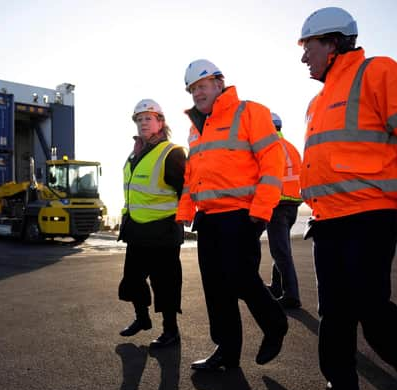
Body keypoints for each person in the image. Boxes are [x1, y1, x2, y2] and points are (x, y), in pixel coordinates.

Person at [296, 7, 397, 390]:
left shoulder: (379, 73)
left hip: (370, 215)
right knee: (334, 315)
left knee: (370, 308)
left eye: (308, 46)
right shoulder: (318, 100)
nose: (303, 56)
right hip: (327, 221)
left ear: (331, 42)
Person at [177, 59, 289, 370]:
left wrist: (263, 208)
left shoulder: (250, 112)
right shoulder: (197, 127)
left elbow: (272, 160)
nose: (197, 93)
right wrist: (185, 210)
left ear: (218, 83)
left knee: (241, 279)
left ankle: (274, 323)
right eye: (192, 89)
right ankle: (226, 351)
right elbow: (191, 174)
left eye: (201, 86)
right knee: (215, 288)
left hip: (242, 215)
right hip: (209, 218)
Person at [117, 99, 187, 348]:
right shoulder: (134, 154)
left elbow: (185, 189)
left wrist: (184, 218)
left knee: (165, 284)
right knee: (132, 280)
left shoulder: (171, 151)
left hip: (163, 229)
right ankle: (142, 318)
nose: (143, 123)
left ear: (160, 122)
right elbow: (132, 191)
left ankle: (171, 332)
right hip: (137, 228)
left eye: (149, 118)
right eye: (139, 119)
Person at [264, 112, 303, 309]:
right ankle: (277, 287)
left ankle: (291, 295)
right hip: (293, 204)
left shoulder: (271, 148)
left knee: (280, 251)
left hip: (277, 205)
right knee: (282, 248)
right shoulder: (292, 148)